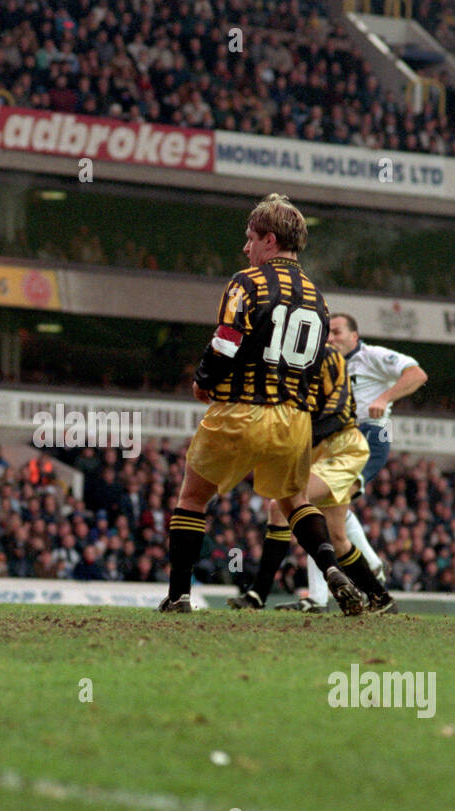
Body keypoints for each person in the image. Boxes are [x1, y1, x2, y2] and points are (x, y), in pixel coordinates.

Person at [159, 193, 363, 615]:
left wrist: (202, 381)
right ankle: (332, 572)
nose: (246, 247)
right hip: (293, 420)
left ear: (269, 240)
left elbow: (226, 341)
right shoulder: (317, 296)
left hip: (240, 410)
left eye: (250, 238)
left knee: (193, 497)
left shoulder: (247, 280)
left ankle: (178, 595)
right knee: (294, 502)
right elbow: (311, 364)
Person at [228, 341, 395, 613]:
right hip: (317, 451)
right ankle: (381, 598)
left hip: (340, 447)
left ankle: (258, 594)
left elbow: (338, 414)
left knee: (283, 502)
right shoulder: (281, 362)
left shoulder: (328, 357)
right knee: (338, 538)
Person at [299, 312, 427, 611]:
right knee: (325, 513)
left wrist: (384, 398)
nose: (331, 338)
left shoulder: (374, 356)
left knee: (308, 505)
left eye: (338, 332)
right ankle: (368, 573)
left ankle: (321, 596)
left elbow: (417, 375)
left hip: (369, 438)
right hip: (335, 441)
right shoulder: (325, 363)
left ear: (354, 337)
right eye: (327, 333)